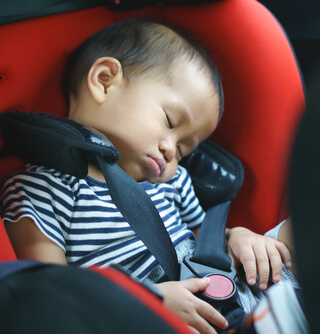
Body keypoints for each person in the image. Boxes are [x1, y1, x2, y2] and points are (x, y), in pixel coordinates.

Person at [0, 19, 298, 334]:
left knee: (311, 227)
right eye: (170, 121)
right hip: (146, 318)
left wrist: (238, 237)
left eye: (184, 149)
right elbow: (52, 294)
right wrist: (149, 299)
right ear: (104, 81)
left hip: (240, 289)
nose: (172, 151)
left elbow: (206, 242)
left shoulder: (173, 182)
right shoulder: (40, 189)